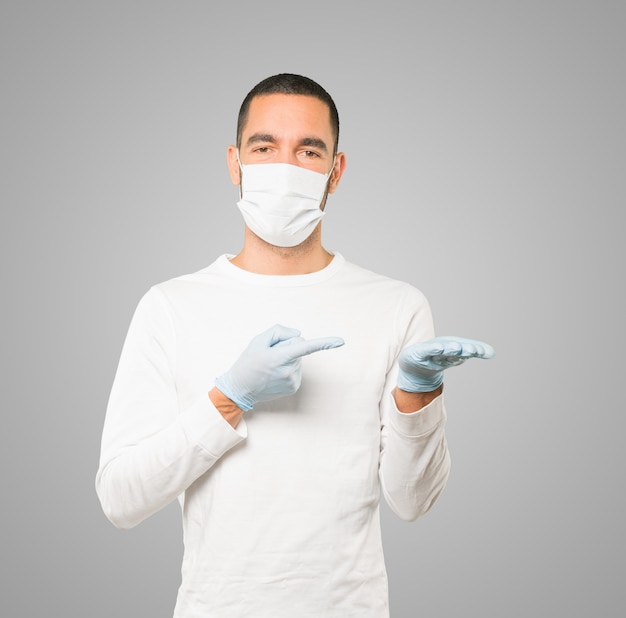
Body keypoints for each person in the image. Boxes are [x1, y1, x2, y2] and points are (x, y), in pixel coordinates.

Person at [96, 73, 495, 617]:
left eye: (309, 150)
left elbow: (412, 502)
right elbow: (120, 499)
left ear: (337, 170)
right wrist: (229, 396)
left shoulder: (396, 305)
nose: (285, 167)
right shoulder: (170, 306)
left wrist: (417, 397)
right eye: (265, 147)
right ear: (235, 163)